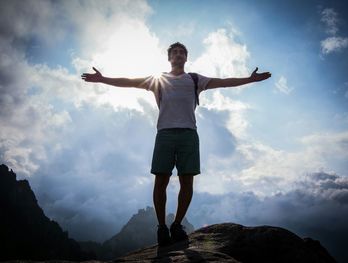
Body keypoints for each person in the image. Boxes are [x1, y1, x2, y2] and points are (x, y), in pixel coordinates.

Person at [81, 42, 271, 246]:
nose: (178, 54)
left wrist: (250, 79)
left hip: (189, 134)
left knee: (187, 181)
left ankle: (177, 224)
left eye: (182, 52)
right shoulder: (158, 80)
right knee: (160, 181)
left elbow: (224, 82)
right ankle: (162, 227)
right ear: (169, 58)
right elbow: (129, 81)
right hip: (164, 134)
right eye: (175, 52)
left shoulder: (195, 79)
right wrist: (102, 79)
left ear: (186, 58)